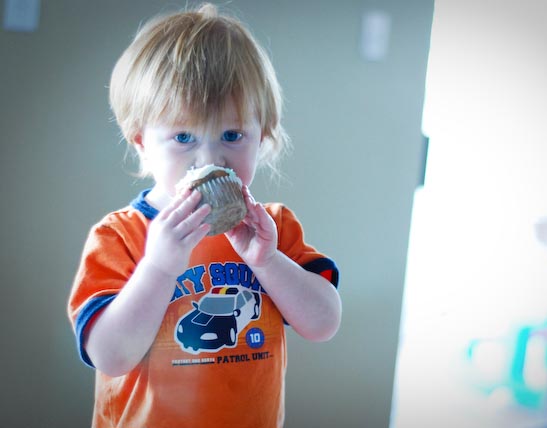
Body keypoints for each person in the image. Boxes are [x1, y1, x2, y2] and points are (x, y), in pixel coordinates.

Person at [67, 4, 341, 427]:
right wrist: (158, 268)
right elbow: (111, 355)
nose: (210, 158)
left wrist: (268, 261)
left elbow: (324, 324)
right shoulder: (120, 235)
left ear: (262, 138)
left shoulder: (272, 228)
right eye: (183, 137)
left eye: (232, 135)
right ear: (142, 143)